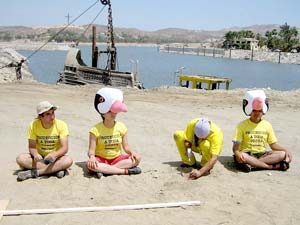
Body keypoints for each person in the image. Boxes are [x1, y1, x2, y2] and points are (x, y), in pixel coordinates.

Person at [86, 87, 141, 178]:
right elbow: (91, 150)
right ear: (102, 113)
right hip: (101, 159)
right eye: (110, 112)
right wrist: (92, 157)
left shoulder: (122, 127)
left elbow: (126, 147)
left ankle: (106, 170)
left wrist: (132, 152)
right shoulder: (95, 129)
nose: (113, 114)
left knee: (137, 159)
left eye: (114, 112)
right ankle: (125, 171)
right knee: (89, 164)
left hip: (117, 159)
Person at [232, 90, 292, 172]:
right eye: (254, 111)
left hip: (263, 155)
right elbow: (235, 148)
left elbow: (273, 145)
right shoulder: (241, 125)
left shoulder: (267, 125)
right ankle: (270, 167)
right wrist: (238, 154)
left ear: (263, 111)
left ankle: (253, 165)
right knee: (242, 156)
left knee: (282, 154)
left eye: (259, 111)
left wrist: (286, 151)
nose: (257, 113)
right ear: (250, 111)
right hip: (248, 154)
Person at [16, 101, 73, 181]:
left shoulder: (61, 124)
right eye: (48, 114)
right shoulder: (33, 125)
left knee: (68, 160)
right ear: (40, 117)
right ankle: (55, 170)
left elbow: (65, 148)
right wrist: (35, 154)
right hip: (41, 159)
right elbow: (32, 147)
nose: (52, 116)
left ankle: (36, 173)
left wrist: (55, 154)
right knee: (20, 158)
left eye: (53, 113)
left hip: (56, 158)